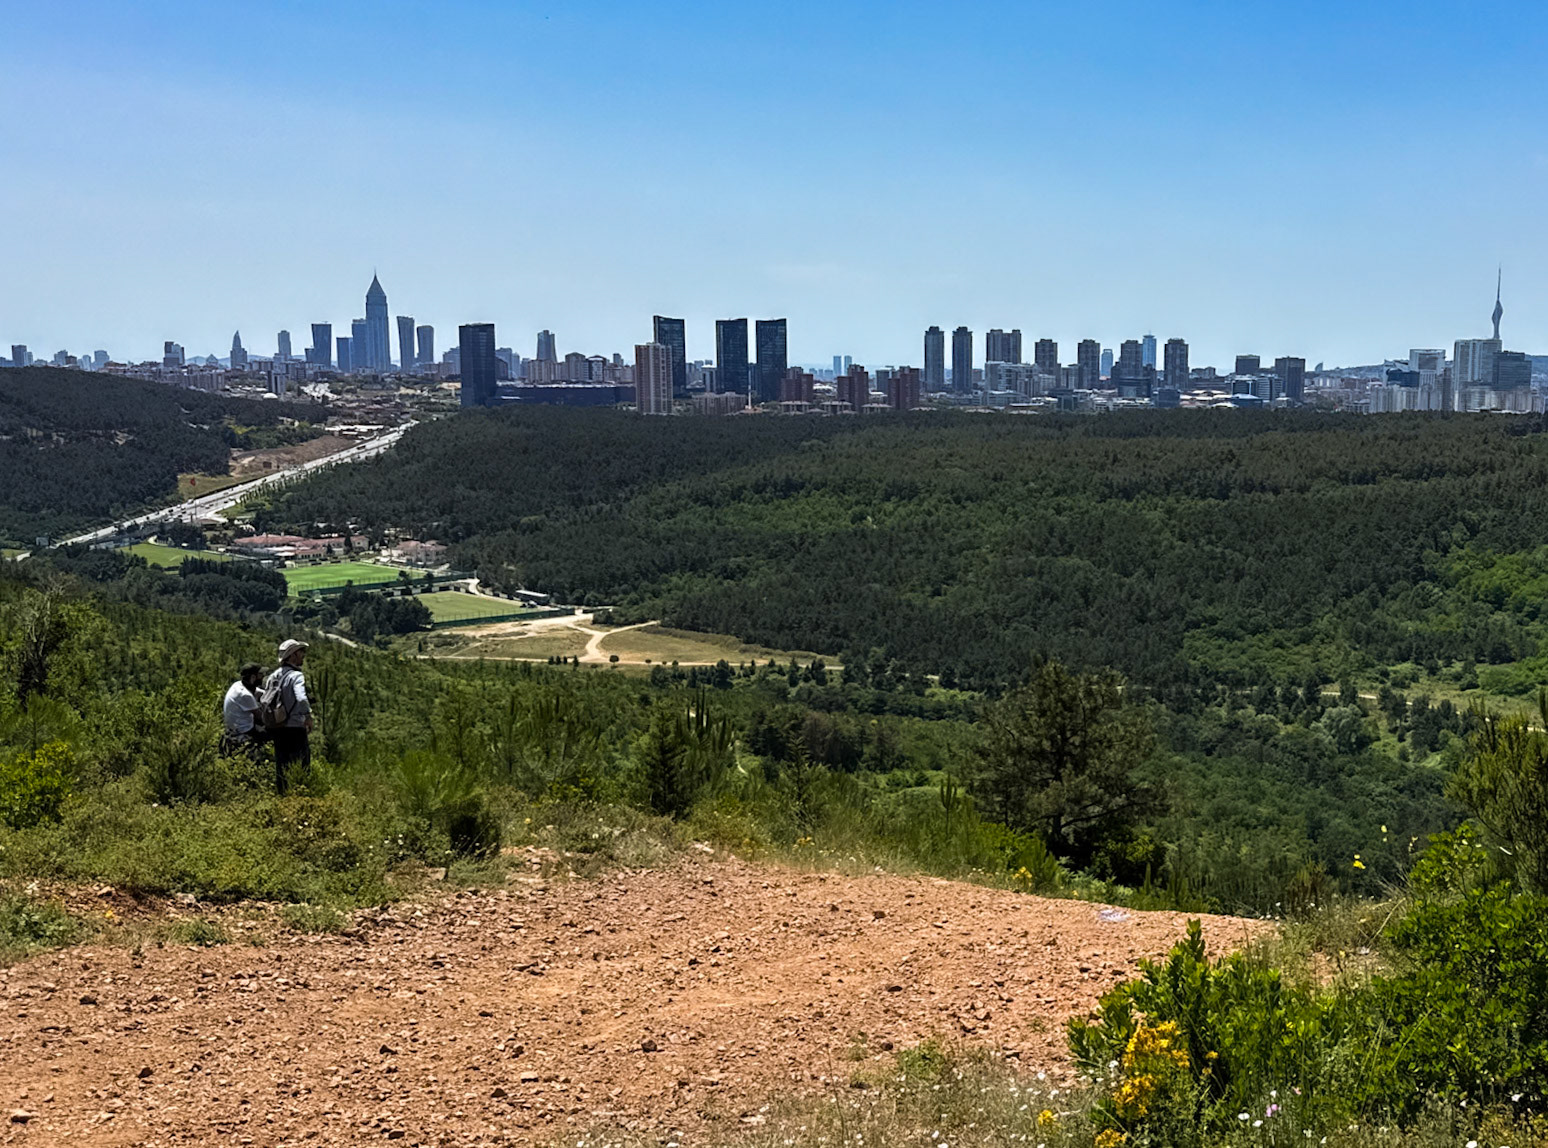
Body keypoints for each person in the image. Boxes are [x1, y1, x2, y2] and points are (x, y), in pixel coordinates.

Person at [265, 639, 313, 793]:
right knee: (302, 766)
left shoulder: (273, 676)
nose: (303, 656)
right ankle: (302, 799)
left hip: (278, 727)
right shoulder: (296, 676)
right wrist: (308, 716)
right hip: (295, 728)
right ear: (292, 656)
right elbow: (301, 698)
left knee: (281, 766)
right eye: (300, 652)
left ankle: (282, 798)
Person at [220, 662, 266, 757]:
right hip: (244, 730)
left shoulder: (238, 685)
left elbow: (259, 692)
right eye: (260, 675)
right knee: (272, 732)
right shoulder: (245, 695)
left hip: (233, 727)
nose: (263, 677)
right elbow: (260, 717)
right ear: (253, 677)